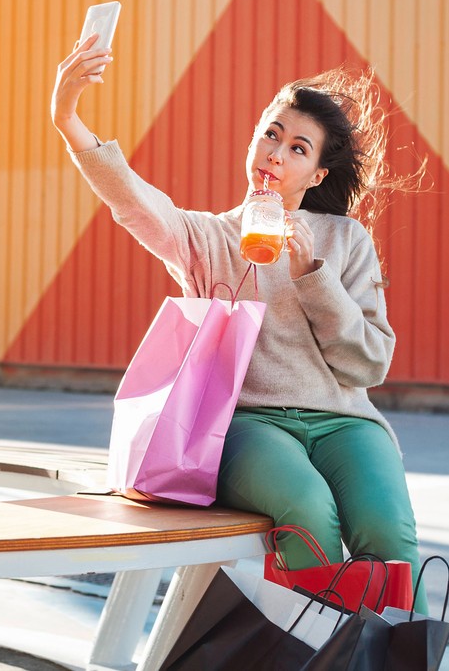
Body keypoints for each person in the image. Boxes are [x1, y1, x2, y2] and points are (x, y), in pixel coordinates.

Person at [51, 32, 428, 612]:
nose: (276, 153)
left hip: (345, 422)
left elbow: (369, 363)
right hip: (251, 427)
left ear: (317, 176)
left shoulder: (346, 241)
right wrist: (67, 117)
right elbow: (134, 202)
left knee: (391, 536)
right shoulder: (208, 239)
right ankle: (315, 650)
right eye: (271, 134)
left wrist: (313, 275)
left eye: (299, 148)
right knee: (306, 510)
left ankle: (393, 654)